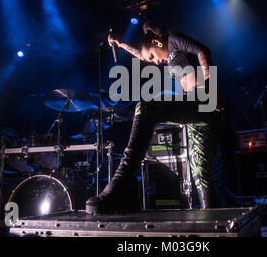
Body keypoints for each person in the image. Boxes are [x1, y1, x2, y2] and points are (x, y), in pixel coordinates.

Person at [85, 21, 223, 214]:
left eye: (152, 56)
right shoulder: (167, 56)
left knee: (146, 106)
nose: (152, 61)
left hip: (203, 101)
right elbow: (141, 53)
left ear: (157, 43)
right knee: (200, 171)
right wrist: (121, 43)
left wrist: (209, 87)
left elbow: (203, 51)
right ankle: (216, 216)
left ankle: (122, 181)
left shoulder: (173, 40)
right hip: (198, 112)